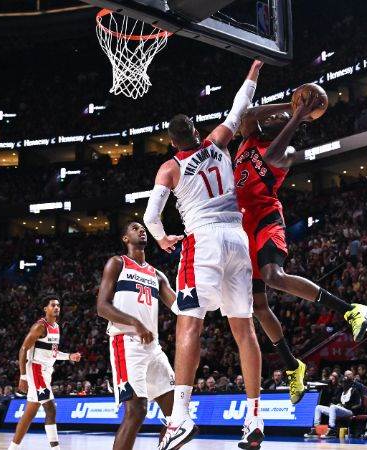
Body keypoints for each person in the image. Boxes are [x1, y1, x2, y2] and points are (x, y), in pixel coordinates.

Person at [144, 60, 266, 450]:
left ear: (171, 142)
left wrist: (162, 239)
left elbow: (150, 216)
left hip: (204, 242)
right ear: (196, 132)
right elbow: (240, 106)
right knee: (244, 330)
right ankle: (254, 417)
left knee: (188, 324)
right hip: (238, 237)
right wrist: (254, 69)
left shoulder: (169, 168)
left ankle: (180, 418)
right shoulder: (217, 142)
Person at [234, 90, 367, 403]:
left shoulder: (286, 150)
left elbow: (272, 156)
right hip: (243, 228)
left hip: (267, 219)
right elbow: (248, 115)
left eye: (282, 119)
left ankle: (350, 310)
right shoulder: (249, 138)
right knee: (258, 307)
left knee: (273, 276)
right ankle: (292, 365)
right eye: (277, 118)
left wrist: (297, 116)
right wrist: (289, 105)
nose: (275, 119)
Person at [97, 222, 177, 450]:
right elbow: (102, 307)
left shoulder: (157, 275)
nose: (141, 230)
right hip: (126, 343)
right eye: (134, 228)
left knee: (178, 417)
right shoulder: (117, 263)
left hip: (153, 348)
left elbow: (180, 306)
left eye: (143, 228)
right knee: (137, 411)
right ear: (125, 238)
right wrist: (135, 323)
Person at [8, 295, 82, 450]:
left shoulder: (56, 327)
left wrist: (69, 356)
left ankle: (12, 448)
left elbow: (53, 353)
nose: (56, 308)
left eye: (58, 305)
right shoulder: (39, 327)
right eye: (53, 305)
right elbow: (23, 350)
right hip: (35, 370)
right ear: (45, 309)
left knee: (29, 414)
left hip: (47, 371)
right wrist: (22, 376)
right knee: (50, 408)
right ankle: (56, 448)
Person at [305, 370, 362, 439]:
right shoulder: (341, 391)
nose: (343, 385)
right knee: (318, 407)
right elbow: (337, 401)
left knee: (333, 407)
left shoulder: (354, 391)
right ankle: (316, 429)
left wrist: (347, 406)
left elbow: (359, 404)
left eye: (345, 383)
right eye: (342, 383)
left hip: (349, 411)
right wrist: (337, 404)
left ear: (349, 383)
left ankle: (332, 429)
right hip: (339, 410)